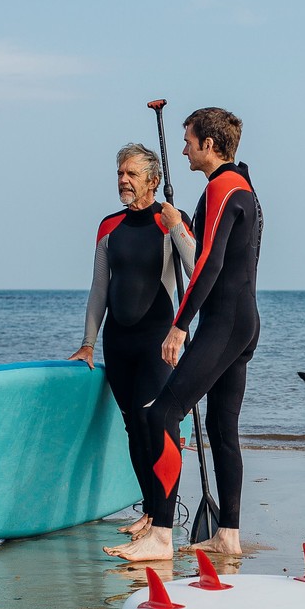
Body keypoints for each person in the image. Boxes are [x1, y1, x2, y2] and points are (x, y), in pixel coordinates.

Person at [108, 107, 260, 562]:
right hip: (243, 320)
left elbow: (209, 263)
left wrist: (180, 324)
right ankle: (227, 534)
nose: (184, 149)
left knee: (159, 415)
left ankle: (160, 535)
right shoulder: (245, 187)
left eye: (189, 140)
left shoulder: (222, 187)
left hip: (224, 323)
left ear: (209, 144)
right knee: (220, 427)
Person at [71, 143, 196, 542]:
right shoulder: (109, 226)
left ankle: (164, 514)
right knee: (132, 427)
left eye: (131, 174)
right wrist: (89, 342)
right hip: (119, 342)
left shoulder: (169, 219)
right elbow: (98, 289)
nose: (123, 180)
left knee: (155, 425)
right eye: (120, 174)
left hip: (157, 341)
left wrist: (177, 225)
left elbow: (196, 269)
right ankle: (149, 510)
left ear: (153, 181)